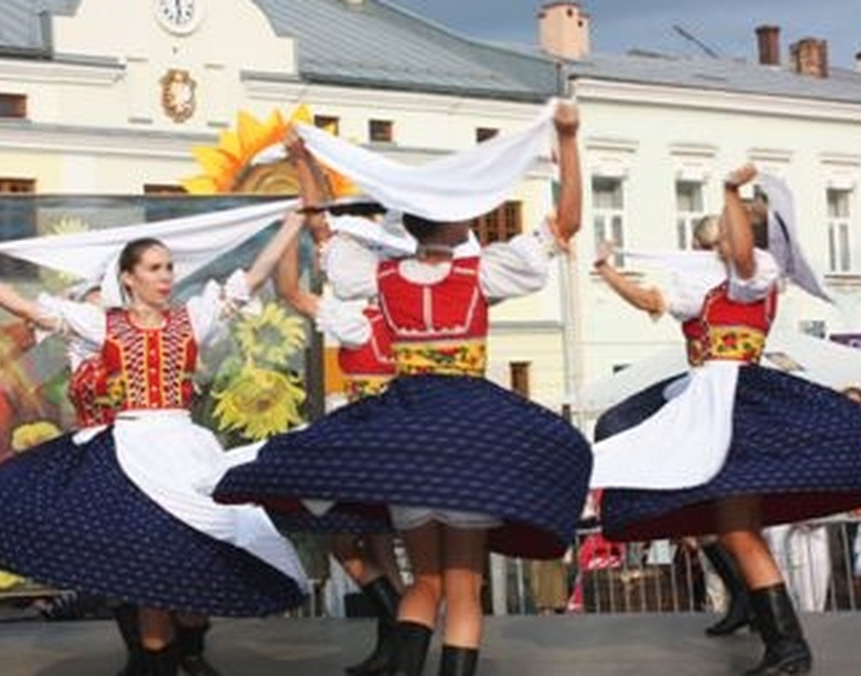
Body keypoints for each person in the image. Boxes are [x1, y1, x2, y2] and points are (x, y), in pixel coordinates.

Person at [214, 101, 591, 676]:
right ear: (459, 224)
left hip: (408, 440)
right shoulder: (480, 274)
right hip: (467, 438)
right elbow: (565, 223)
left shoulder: (381, 278)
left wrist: (300, 158)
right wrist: (568, 138)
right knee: (464, 590)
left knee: (427, 582)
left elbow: (321, 224)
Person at [0, 215, 311, 676]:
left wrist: (294, 221)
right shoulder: (106, 324)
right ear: (129, 278)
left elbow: (254, 276)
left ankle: (192, 653)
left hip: (185, 449)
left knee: (199, 552)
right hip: (134, 451)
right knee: (149, 567)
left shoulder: (191, 318)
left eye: (169, 267)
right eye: (155, 268)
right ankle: (158, 662)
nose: (166, 277)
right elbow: (27, 309)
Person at [589, 165, 861, 675]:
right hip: (706, 398)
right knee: (717, 514)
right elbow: (652, 301)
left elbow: (746, 256)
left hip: (738, 400)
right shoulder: (707, 292)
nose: (714, 246)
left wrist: (730, 191)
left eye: (723, 236)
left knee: (738, 529)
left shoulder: (758, 277)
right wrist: (608, 273)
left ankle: (786, 644)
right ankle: (773, 632)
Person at [273, 134, 408, 676]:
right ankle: (396, 639)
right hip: (397, 432)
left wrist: (286, 238)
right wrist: (306, 166)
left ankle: (399, 627)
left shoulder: (357, 317)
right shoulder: (402, 305)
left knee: (343, 535)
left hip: (365, 433)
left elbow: (294, 284)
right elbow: (324, 221)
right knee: (377, 544)